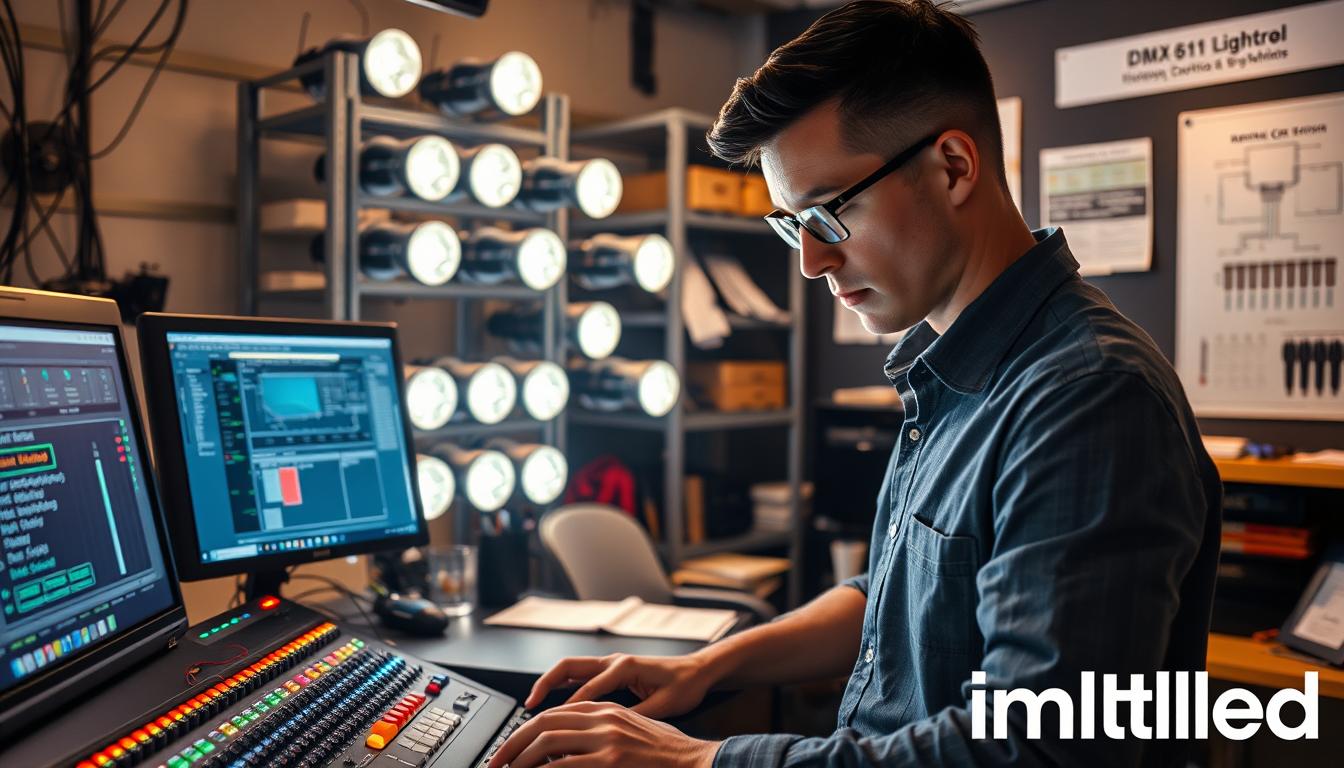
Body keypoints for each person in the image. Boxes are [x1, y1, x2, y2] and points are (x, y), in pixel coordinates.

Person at [488, 1, 1221, 766]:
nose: (809, 261)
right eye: (790, 223)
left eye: (829, 215)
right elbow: (900, 592)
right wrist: (706, 667)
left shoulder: (1088, 397)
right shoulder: (952, 365)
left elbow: (1031, 749)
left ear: (953, 168)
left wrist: (692, 760)